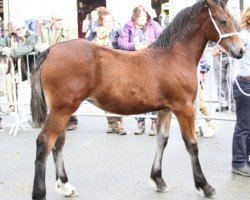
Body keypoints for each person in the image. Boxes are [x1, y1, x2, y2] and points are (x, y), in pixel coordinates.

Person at [118, 5, 162, 136]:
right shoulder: (127, 26)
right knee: (139, 94)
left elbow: (163, 38)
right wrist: (135, 46)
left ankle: (154, 123)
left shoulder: (154, 25)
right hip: (134, 64)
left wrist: (150, 45)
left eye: (144, 16)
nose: (143, 19)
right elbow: (121, 43)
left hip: (152, 63)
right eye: (140, 17)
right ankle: (140, 123)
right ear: (135, 17)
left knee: (153, 93)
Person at [35, 11, 78, 130]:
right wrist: (42, 47)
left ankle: (72, 119)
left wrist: (53, 50)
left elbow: (73, 46)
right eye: (57, 20)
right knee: (50, 93)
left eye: (61, 20)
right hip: (49, 65)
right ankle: (50, 118)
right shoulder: (44, 30)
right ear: (52, 20)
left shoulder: (70, 30)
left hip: (65, 66)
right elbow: (37, 44)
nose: (60, 22)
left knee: (68, 93)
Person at [90, 8, 126, 135]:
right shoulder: (95, 31)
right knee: (106, 96)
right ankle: (111, 123)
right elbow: (88, 44)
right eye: (107, 21)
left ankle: (118, 124)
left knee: (117, 95)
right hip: (102, 69)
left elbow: (122, 45)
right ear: (101, 22)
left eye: (111, 20)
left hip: (117, 66)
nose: (109, 23)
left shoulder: (118, 30)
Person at [0, 19, 37, 113]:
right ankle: (12, 105)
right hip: (16, 67)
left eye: (23, 28)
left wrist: (11, 51)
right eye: (18, 29)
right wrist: (4, 49)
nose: (21, 30)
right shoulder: (9, 38)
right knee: (9, 78)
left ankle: (36, 107)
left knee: (35, 84)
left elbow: (30, 47)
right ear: (14, 31)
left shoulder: (32, 36)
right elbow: (0, 45)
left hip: (30, 66)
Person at [231, 7, 250, 177]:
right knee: (243, 126)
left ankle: (245, 159)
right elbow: (233, 49)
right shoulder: (243, 36)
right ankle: (238, 162)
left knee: (248, 126)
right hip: (244, 84)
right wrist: (217, 50)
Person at [197, 48, 216, 138]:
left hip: (198, 80)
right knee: (191, 105)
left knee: (201, 105)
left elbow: (206, 66)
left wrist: (194, 66)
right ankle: (195, 125)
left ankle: (211, 126)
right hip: (186, 81)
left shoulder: (204, 51)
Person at [211, 45, 236, 112]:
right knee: (220, 80)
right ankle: (222, 104)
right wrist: (214, 48)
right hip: (217, 54)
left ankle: (233, 103)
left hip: (231, 53)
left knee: (230, 78)